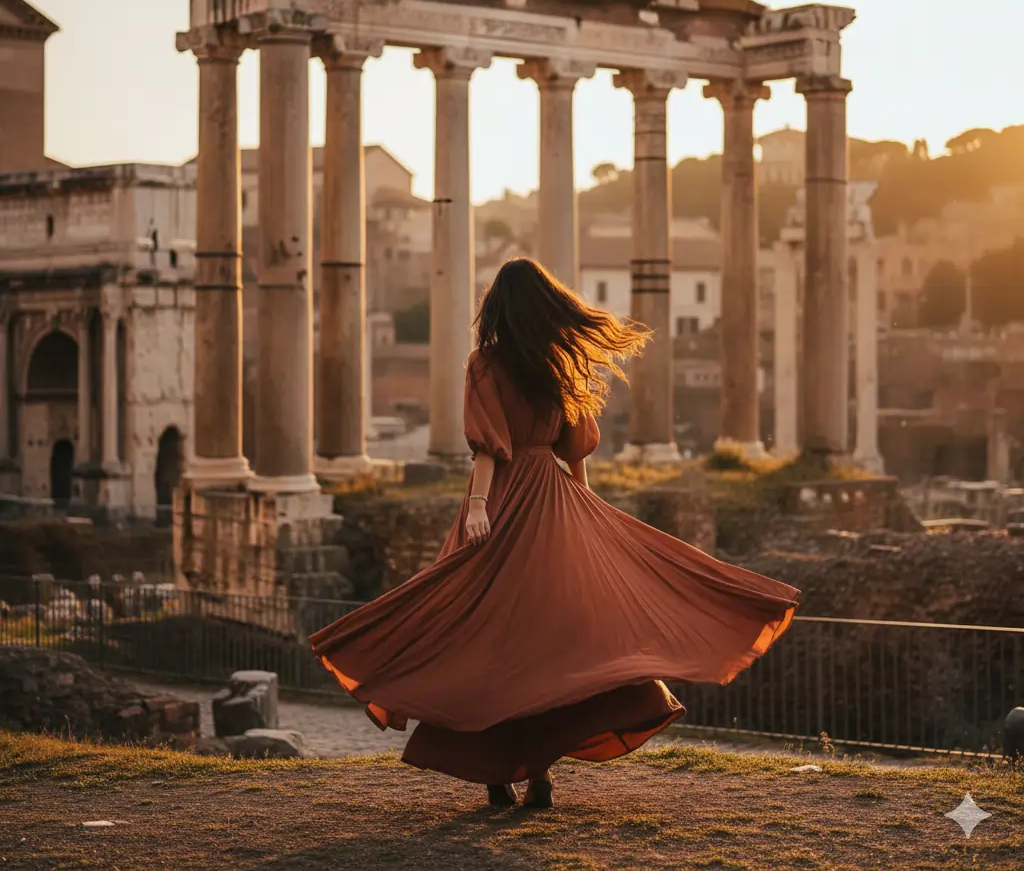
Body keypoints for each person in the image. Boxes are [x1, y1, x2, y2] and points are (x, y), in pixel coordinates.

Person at [310, 258, 800, 809]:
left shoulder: (485, 364)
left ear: (497, 308)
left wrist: (478, 506)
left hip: (504, 499)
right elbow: (574, 449)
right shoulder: (558, 365)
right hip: (552, 497)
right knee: (553, 640)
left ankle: (498, 777)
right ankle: (538, 773)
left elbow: (490, 447)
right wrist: (584, 505)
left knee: (487, 636)